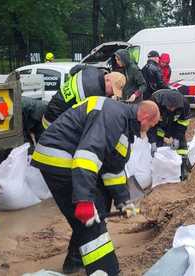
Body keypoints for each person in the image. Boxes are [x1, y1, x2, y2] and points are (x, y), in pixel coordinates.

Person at [31, 98, 160, 275]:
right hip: (59, 159)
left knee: (99, 207)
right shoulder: (114, 115)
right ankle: (106, 271)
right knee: (91, 222)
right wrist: (84, 200)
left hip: (69, 159)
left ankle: (75, 263)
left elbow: (113, 171)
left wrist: (124, 202)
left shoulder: (123, 129)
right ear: (144, 117)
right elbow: (87, 156)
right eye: (151, 125)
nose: (149, 130)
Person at [42, 65, 125, 129]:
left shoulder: (92, 70)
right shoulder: (95, 94)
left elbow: (73, 70)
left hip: (51, 107)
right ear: (107, 80)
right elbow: (90, 122)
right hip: (55, 122)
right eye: (113, 90)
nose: (112, 93)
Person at [148, 89, 191, 180]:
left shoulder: (184, 104)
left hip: (175, 124)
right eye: (170, 107)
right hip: (158, 126)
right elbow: (149, 125)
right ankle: (161, 171)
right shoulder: (154, 102)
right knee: (158, 149)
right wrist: (152, 142)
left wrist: (177, 138)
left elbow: (183, 123)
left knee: (182, 146)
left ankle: (183, 167)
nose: (172, 109)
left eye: (174, 108)